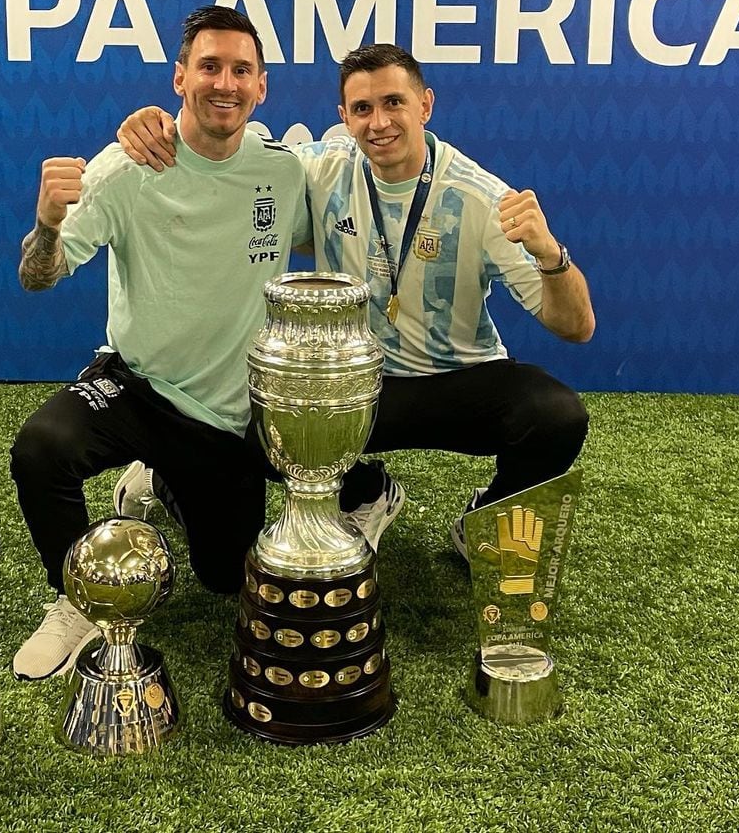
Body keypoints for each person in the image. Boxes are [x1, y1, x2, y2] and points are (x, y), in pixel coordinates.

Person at [116, 43, 594, 560]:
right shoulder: (319, 168)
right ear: (344, 117)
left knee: (556, 415)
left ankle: (482, 522)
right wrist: (159, 125)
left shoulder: (480, 198)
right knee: (246, 426)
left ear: (425, 106)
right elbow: (226, 149)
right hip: (354, 381)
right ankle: (363, 490)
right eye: (362, 109)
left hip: (457, 380)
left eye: (394, 103)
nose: (379, 122)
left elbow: (576, 326)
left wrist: (551, 256)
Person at [9, 5, 311, 681]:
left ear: (262, 87)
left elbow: (352, 195)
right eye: (209, 66)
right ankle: (76, 600)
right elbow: (40, 275)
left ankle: (159, 483)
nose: (224, 83)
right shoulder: (128, 166)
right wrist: (48, 224)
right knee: (41, 449)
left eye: (240, 70)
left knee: (227, 576)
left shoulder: (284, 172)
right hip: (135, 386)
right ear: (180, 77)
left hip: (221, 417)